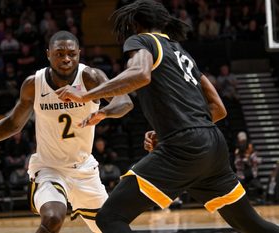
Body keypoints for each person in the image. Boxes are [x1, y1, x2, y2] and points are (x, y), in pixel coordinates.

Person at [55, 1, 279, 232]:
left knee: (110, 217)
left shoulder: (142, 40)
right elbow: (219, 109)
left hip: (185, 146)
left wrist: (85, 95)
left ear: (135, 24)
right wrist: (174, 128)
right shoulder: (184, 54)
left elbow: (140, 74)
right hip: (213, 146)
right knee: (252, 224)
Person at [0, 30, 133, 233]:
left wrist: (103, 113)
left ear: (79, 53)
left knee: (114, 228)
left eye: (71, 53)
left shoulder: (90, 77)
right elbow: (14, 123)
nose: (66, 59)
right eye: (60, 53)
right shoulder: (34, 84)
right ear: (48, 54)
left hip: (84, 171)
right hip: (49, 168)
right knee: (53, 217)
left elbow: (125, 101)